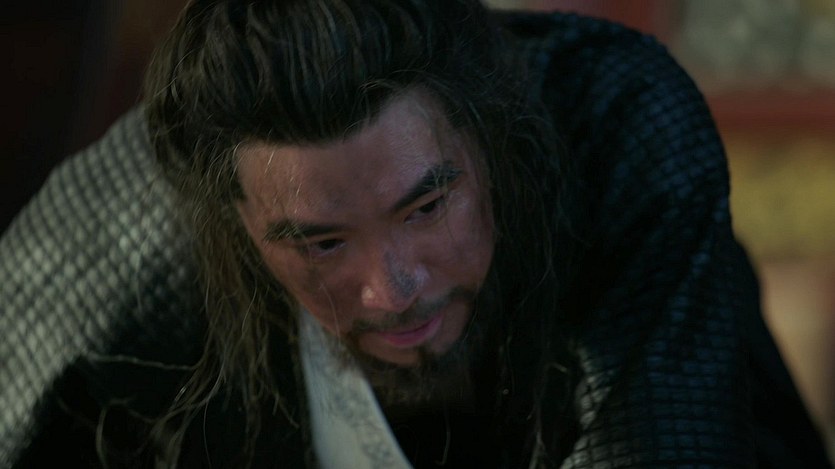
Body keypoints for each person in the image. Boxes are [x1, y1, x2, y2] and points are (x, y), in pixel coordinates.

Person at [1, 0, 831, 467]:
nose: (392, 290)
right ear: (235, 221)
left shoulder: (613, 125)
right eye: (322, 243)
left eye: (426, 207)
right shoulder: (113, 243)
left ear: (494, 136)